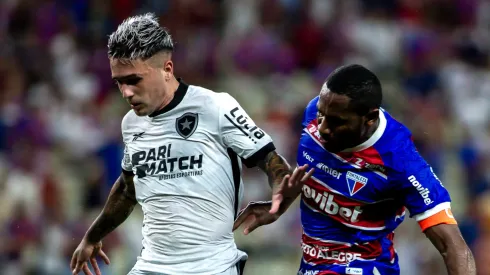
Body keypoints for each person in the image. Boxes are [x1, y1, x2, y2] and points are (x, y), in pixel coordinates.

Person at [70, 13, 313, 275]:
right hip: (151, 266)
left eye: (134, 80)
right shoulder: (131, 123)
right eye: (119, 82)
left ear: (167, 70)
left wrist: (279, 196)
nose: (126, 92)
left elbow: (271, 161)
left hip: (210, 267)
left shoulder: (215, 107)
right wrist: (92, 237)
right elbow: (129, 189)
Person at [234, 64, 477, 275]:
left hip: (364, 267)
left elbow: (452, 245)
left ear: (369, 118)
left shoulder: (401, 161)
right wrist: (280, 205)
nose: (323, 128)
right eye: (321, 115)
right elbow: (314, 172)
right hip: (312, 265)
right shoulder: (316, 115)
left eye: (337, 121)